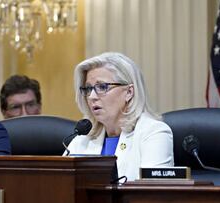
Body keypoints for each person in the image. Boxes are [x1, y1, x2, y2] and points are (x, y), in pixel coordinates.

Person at [65, 52, 174, 181]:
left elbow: (153, 194)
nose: (92, 96)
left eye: (102, 87)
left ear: (129, 92)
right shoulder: (82, 139)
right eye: (88, 89)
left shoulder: (153, 133)